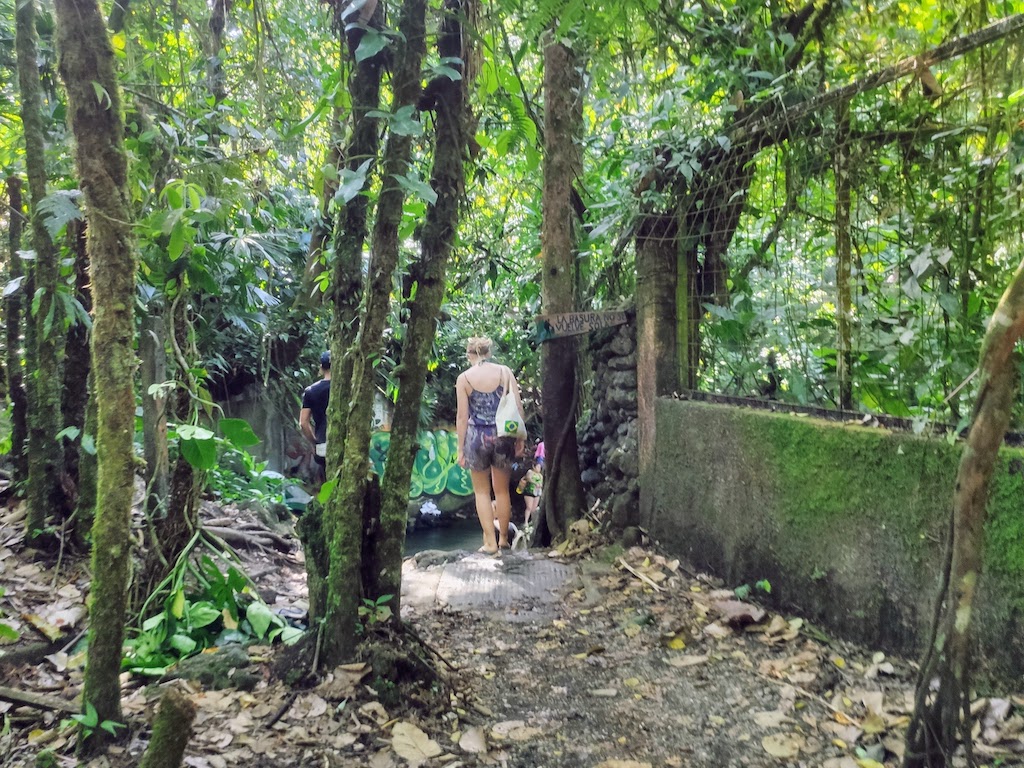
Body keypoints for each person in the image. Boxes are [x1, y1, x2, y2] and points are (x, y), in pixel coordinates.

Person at [456, 336, 525, 554]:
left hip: (477, 437)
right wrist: (520, 437)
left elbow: (461, 416)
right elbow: (517, 406)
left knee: (481, 492)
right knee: (502, 491)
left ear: (470, 355)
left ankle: (490, 543)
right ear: (488, 352)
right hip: (504, 436)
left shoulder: (464, 378)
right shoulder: (505, 372)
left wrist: (460, 448)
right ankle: (504, 539)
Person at [299, 350, 331, 482]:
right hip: (347, 444)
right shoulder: (349, 388)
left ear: (321, 367)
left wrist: (314, 441)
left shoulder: (311, 391)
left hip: (323, 445)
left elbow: (303, 423)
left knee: (327, 484)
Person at [516, 459, 543, 527]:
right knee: (529, 507)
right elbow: (529, 478)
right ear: (534, 466)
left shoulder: (540, 475)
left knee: (534, 508)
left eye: (540, 467)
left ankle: (532, 521)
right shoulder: (530, 472)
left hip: (537, 492)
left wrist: (540, 485)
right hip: (529, 491)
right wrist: (535, 483)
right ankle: (526, 521)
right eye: (538, 467)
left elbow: (541, 483)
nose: (539, 468)